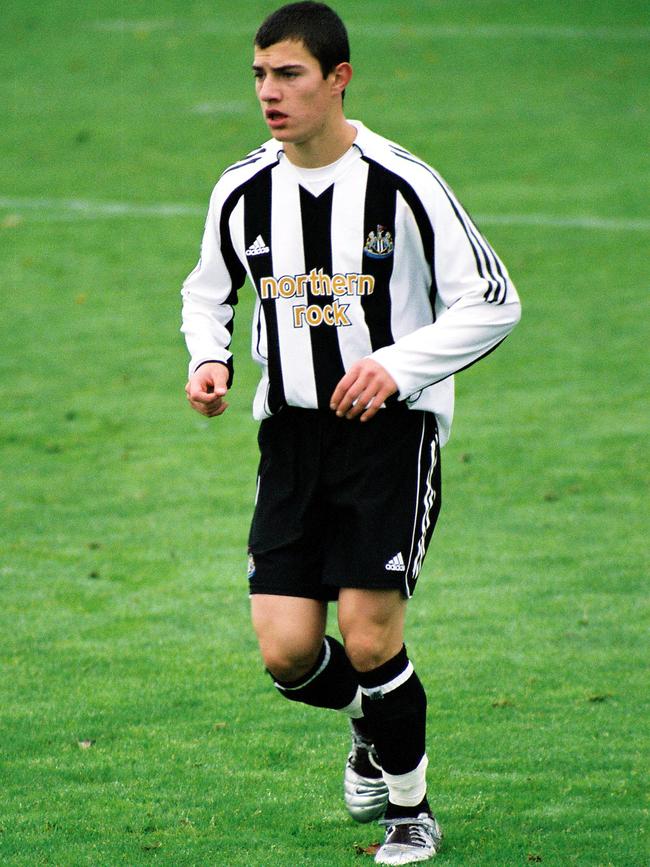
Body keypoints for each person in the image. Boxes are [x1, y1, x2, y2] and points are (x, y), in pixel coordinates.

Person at [181, 2, 521, 863]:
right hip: (290, 441)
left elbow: (493, 299)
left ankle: (411, 809)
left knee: (370, 635)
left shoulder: (404, 182)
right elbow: (207, 287)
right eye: (259, 75)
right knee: (289, 653)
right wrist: (207, 358)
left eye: (288, 74)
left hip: (388, 440)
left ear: (338, 79)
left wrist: (402, 366)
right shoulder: (242, 187)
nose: (269, 92)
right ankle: (375, 721)